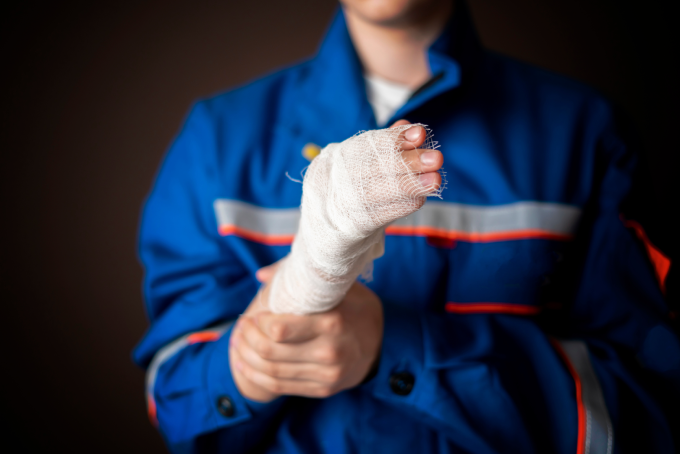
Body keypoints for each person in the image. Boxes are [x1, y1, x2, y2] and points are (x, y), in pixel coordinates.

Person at [133, 0, 679, 452]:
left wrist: (392, 345)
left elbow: (648, 410)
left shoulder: (586, 134)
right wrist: (241, 371)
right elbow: (170, 397)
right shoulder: (215, 140)